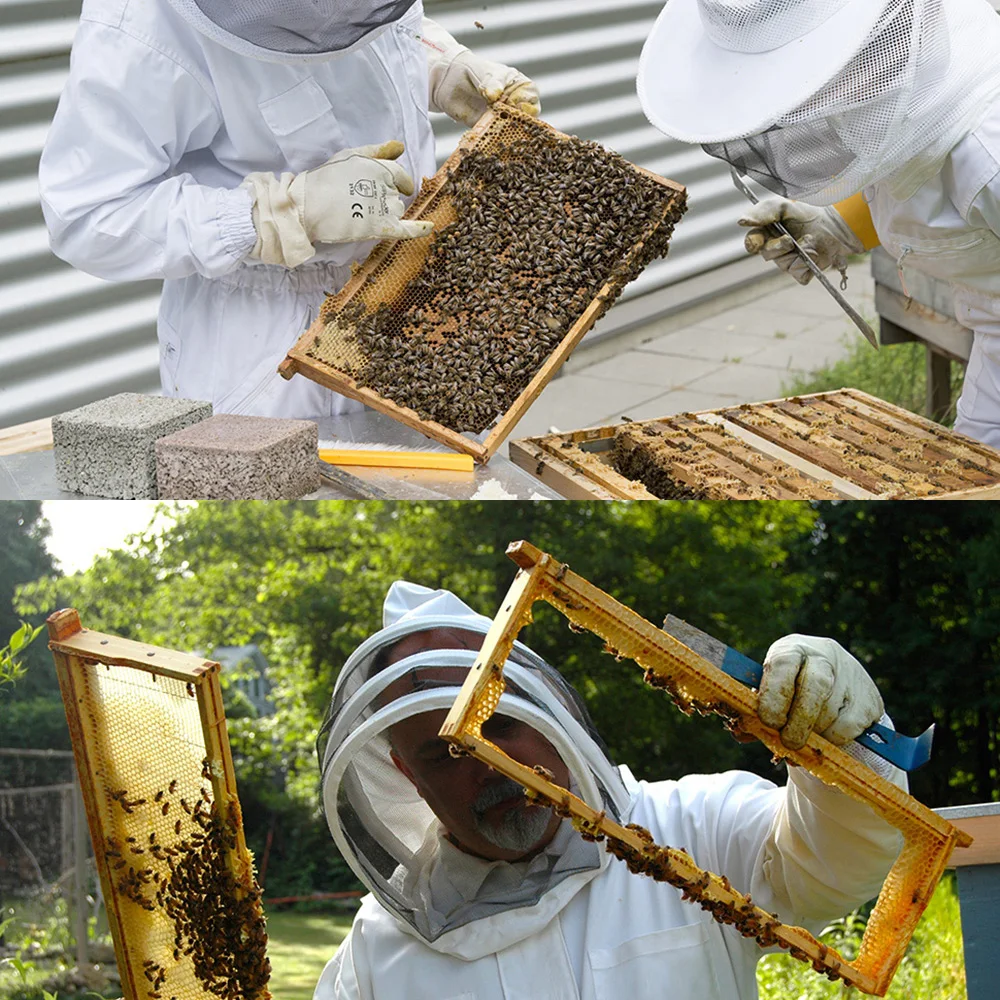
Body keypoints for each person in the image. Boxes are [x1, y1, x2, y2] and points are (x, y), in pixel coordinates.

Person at [315, 580, 907, 1000]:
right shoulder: (372, 957)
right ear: (406, 774)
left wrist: (849, 745)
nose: (488, 763)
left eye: (497, 724)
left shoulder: (695, 829)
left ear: (543, 708)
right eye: (444, 754)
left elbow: (839, 858)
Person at [38, 2, 538, 420]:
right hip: (264, 359)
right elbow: (86, 213)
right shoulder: (141, 22)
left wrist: (442, 64)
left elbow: (371, 28)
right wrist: (277, 214)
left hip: (415, 306)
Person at [636, 0, 1000, 448]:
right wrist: (838, 224)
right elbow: (914, 171)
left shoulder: (989, 155)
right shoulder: (903, 95)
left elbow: (962, 175)